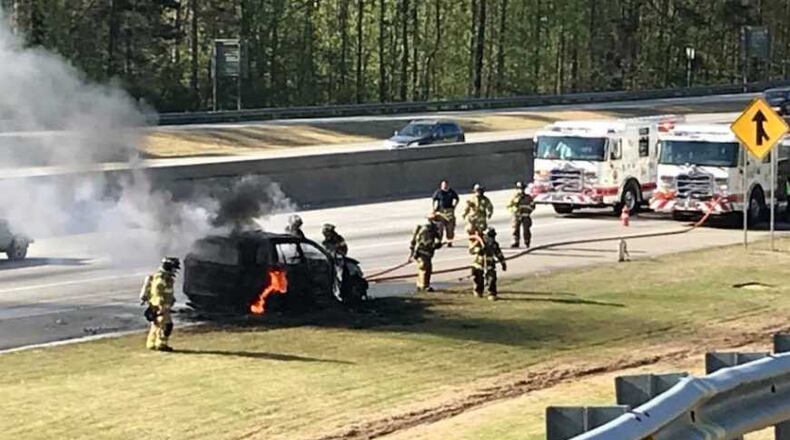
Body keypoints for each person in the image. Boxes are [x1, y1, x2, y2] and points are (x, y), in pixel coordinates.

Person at [140, 257, 180, 352]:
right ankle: (161, 344)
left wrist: (171, 299)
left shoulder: (164, 277)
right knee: (167, 325)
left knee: (156, 325)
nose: (175, 270)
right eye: (174, 268)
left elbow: (166, 291)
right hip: (161, 306)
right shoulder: (162, 278)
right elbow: (158, 292)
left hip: (159, 305)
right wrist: (161, 306)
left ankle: (152, 343)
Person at [469, 228, 507, 301]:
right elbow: (471, 250)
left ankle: (491, 294)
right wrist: (479, 250)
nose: (492, 238)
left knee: (491, 279)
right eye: (490, 236)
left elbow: (499, 254)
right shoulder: (479, 242)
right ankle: (478, 291)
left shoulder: (494, 244)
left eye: (493, 236)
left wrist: (503, 263)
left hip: (490, 264)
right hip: (479, 264)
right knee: (478, 278)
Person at [409, 216, 443, 292]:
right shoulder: (425, 228)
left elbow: (437, 239)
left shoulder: (433, 228)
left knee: (427, 268)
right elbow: (419, 241)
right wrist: (413, 252)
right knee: (424, 267)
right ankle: (423, 285)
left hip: (428, 251)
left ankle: (421, 284)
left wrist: (437, 244)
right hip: (422, 251)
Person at [507, 181, 536, 248]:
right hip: (516, 216)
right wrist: (515, 210)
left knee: (526, 230)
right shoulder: (514, 198)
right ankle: (515, 242)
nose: (521, 190)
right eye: (519, 188)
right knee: (515, 229)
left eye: (522, 188)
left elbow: (533, 206)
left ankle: (527, 242)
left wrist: (528, 211)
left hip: (525, 216)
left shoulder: (528, 198)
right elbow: (508, 206)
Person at [432, 180, 459, 246]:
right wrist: (434, 209)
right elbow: (434, 200)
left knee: (450, 227)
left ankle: (449, 241)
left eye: (446, 185)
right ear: (441, 185)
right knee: (439, 227)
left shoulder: (451, 191)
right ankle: (439, 241)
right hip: (440, 211)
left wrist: (454, 206)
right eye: (443, 185)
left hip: (449, 211)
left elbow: (457, 199)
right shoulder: (438, 192)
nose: (444, 186)